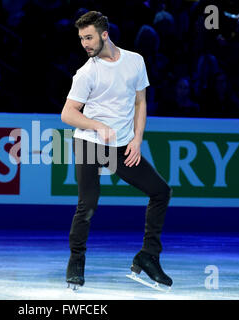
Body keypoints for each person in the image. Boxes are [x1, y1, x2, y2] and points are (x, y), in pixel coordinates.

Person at [61, 11, 173, 289]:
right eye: (81, 39)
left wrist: (137, 140)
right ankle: (76, 260)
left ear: (104, 34)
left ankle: (148, 256)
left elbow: (140, 103)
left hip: (122, 145)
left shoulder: (135, 61)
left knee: (160, 191)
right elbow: (68, 113)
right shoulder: (87, 72)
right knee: (88, 203)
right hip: (89, 143)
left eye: (89, 37)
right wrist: (96, 125)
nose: (85, 44)